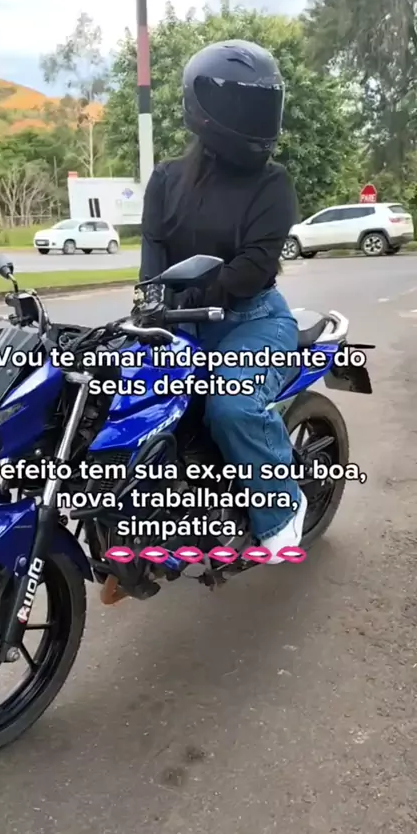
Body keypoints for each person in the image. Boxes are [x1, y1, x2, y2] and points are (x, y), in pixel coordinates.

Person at [138, 38, 307, 563]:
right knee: (127, 407)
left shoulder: (273, 183)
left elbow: (254, 267)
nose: (256, 116)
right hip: (178, 325)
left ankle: (282, 512)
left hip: (253, 321)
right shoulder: (166, 179)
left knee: (232, 404)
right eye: (243, 103)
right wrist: (150, 306)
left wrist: (189, 295)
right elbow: (153, 255)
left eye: (263, 102)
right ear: (204, 106)